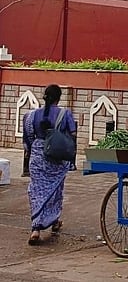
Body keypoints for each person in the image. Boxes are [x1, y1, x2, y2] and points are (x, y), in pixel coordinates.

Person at [22, 84, 76, 245]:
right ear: (59, 98)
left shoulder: (31, 116)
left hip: (37, 158)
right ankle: (54, 221)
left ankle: (36, 228)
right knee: (55, 191)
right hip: (56, 159)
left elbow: (27, 142)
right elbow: (72, 135)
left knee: (37, 191)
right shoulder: (65, 114)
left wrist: (33, 153)